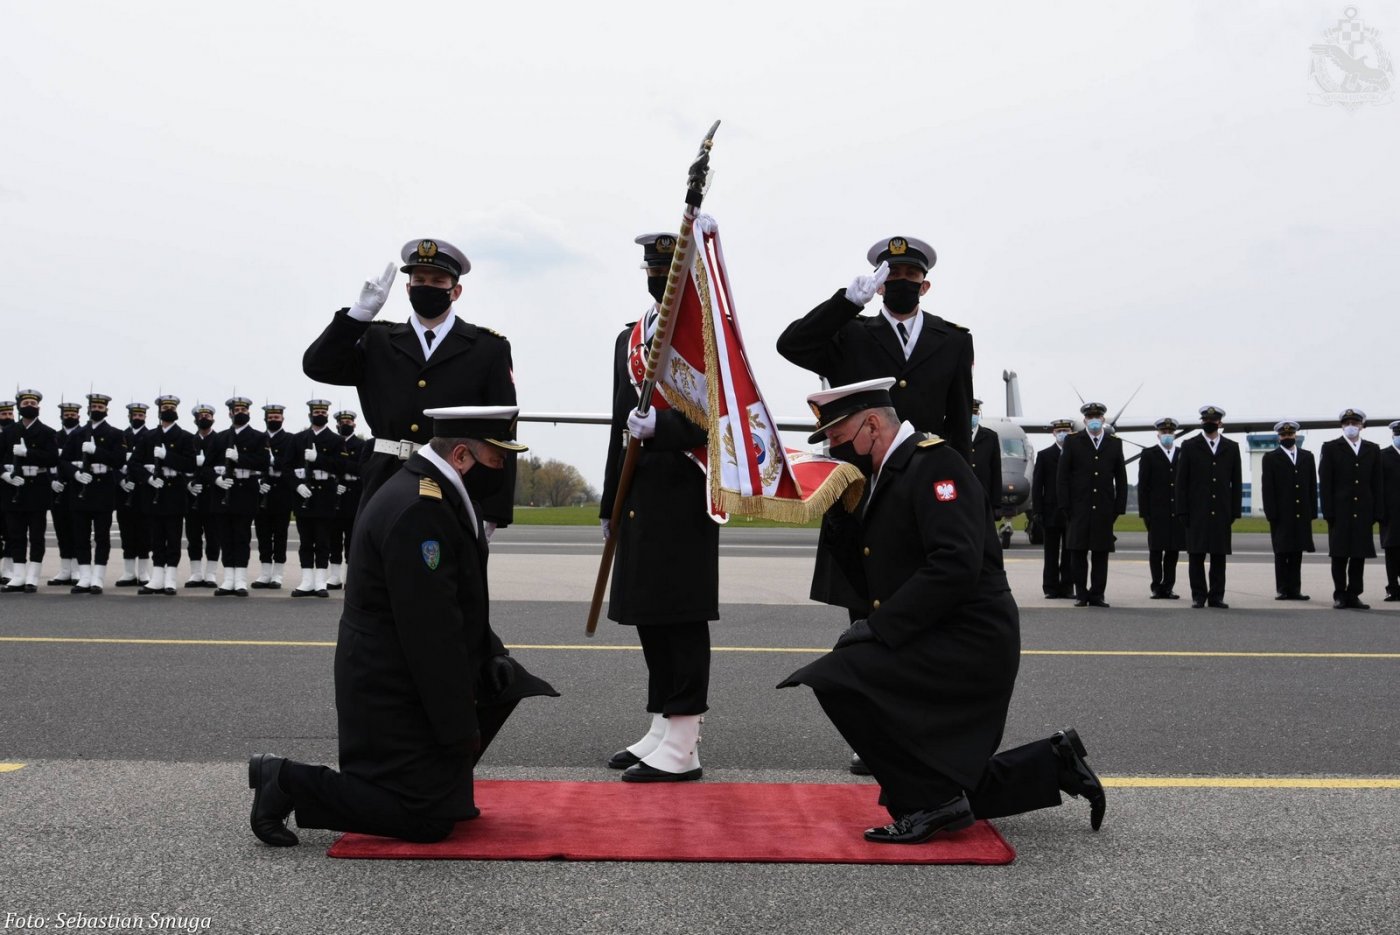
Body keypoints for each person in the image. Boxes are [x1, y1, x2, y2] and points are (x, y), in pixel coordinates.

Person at [778, 379, 1105, 843]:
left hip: (968, 637)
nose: (834, 449)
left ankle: (932, 802)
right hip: (931, 628)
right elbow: (876, 567)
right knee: (939, 780)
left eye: (838, 436)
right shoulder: (884, 473)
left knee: (837, 678)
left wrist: (879, 628)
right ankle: (1049, 765)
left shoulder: (935, 465)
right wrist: (837, 516)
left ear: (871, 426)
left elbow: (955, 564)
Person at [246, 405, 557, 847]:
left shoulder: (439, 493)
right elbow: (431, 632)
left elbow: (458, 601)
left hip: (402, 666)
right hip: (388, 683)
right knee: (426, 822)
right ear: (461, 455)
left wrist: (492, 653)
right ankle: (285, 779)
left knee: (501, 689)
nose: (503, 469)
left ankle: (436, 782)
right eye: (497, 458)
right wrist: (458, 727)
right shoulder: (420, 510)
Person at [777, 236, 974, 622]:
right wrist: (846, 303)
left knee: (925, 596)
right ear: (879, 285)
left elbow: (959, 421)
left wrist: (964, 488)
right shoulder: (849, 333)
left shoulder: (953, 340)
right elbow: (791, 345)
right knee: (866, 602)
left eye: (911, 274)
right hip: (862, 485)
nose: (902, 280)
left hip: (923, 481)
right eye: (893, 274)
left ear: (924, 285)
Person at [600, 233, 719, 783]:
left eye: (668, 271)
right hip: (639, 494)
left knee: (681, 615)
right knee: (648, 612)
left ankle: (686, 739)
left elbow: (721, 418)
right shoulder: (630, 337)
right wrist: (610, 502)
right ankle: (662, 724)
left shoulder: (705, 336)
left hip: (685, 491)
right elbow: (618, 426)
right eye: (653, 269)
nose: (658, 278)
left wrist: (665, 428)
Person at [303, 238, 517, 534]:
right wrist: (358, 315)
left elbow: (503, 431)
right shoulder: (377, 340)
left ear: (455, 291)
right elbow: (318, 365)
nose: (427, 287)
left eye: (438, 281)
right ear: (407, 288)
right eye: (419, 280)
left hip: (456, 479)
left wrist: (493, 510)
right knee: (375, 561)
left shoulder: (487, 348)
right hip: (386, 477)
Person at [1056, 402, 1127, 607]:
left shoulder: (1114, 444)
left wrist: (1118, 507)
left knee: (1100, 553)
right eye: (1090, 417)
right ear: (1085, 420)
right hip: (1078, 507)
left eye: (1097, 417)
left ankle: (1097, 594)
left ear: (1103, 419)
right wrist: (1065, 506)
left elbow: (1121, 478)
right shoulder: (1072, 442)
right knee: (1078, 552)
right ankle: (1081, 593)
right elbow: (1062, 477)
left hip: (1104, 508)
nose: (1094, 420)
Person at [1173, 406, 1243, 609]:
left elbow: (1236, 482)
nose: (1209, 423)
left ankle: (1216, 596)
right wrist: (1182, 510)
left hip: (1221, 510)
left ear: (1220, 423)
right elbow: (1181, 482)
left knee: (1219, 556)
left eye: (1213, 420)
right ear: (1202, 422)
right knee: (1196, 555)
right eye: (1206, 420)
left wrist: (1234, 511)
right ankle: (1198, 596)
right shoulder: (1189, 446)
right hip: (1196, 511)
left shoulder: (1231, 447)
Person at [128, 395, 197, 596]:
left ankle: (171, 579)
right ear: (159, 411)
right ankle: (157, 577)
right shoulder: (148, 437)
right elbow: (133, 464)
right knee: (156, 537)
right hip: (153, 492)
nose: (168, 410)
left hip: (174, 492)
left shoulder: (185, 437)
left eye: (171, 407)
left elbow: (190, 465)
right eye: (165, 407)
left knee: (173, 537)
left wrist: (168, 456)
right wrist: (148, 478)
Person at [60, 393, 126, 594]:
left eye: (100, 407)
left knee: (102, 536)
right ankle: (84, 576)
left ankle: (98, 577)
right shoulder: (76, 434)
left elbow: (119, 460)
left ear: (106, 410)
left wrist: (96, 451)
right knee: (80, 535)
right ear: (88, 409)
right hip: (80, 489)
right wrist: (75, 474)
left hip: (103, 489)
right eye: (94, 407)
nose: (97, 409)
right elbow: (63, 461)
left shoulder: (115, 434)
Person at [1319, 408, 1383, 610]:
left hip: (1363, 511)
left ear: (1362, 425)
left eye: (1355, 423)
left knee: (1358, 555)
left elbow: (1377, 483)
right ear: (1342, 426)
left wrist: (1377, 511)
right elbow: (1325, 483)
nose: (1351, 427)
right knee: (1339, 555)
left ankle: (1354, 594)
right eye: (1347, 423)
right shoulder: (1331, 448)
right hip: (1340, 511)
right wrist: (1328, 512)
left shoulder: (1372, 449)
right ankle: (1339, 594)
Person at [1, 390, 59, 593]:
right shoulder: (8, 432)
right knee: (15, 534)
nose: (30, 406)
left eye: (33, 403)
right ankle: (18, 575)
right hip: (13, 487)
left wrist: (28, 453)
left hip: (37, 488)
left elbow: (52, 458)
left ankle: (33, 576)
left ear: (39, 407)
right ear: (19, 406)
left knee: (36, 535)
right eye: (26, 403)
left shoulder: (47, 432)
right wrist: (5, 475)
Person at [209, 397, 267, 597]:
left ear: (249, 412)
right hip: (223, 492)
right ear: (230, 413)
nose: (240, 412)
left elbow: (263, 463)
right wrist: (216, 480)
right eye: (237, 410)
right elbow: (206, 467)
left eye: (244, 409)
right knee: (225, 537)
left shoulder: (258, 437)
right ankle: (228, 579)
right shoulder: (220, 438)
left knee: (242, 537)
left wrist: (239, 458)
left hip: (245, 492)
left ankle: (240, 579)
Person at [289, 399, 346, 598]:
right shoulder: (298, 439)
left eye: (323, 412)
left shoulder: (336, 440)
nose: (319, 415)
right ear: (310, 415)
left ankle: (321, 581)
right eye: (316, 412)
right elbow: (286, 468)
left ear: (327, 415)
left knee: (322, 540)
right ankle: (307, 581)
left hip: (325, 496)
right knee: (305, 541)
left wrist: (318, 459)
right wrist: (297, 485)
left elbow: (341, 466)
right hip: (304, 494)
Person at [1259, 420, 1316, 601]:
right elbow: (1267, 488)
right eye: (1284, 435)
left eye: (1290, 434)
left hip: (1301, 513)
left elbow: (1311, 486)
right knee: (1282, 552)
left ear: (1295, 435)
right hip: (1281, 514)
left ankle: (1295, 589)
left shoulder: (1307, 457)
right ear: (1279, 437)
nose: (1287, 437)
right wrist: (1271, 513)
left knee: (1297, 552)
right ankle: (1282, 589)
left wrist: (1312, 511)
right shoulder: (1270, 458)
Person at [1137, 418, 1185, 599]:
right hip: (1157, 513)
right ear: (1158, 434)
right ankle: (1156, 586)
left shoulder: (1182, 454)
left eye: (1170, 432)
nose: (1167, 435)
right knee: (1156, 551)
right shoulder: (1149, 454)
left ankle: (1168, 586)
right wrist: (1145, 513)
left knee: (1173, 552)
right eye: (1164, 432)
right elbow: (1143, 487)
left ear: (1174, 434)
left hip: (1176, 512)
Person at [251, 404, 294, 590]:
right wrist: (258, 480)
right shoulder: (257, 439)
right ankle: (265, 572)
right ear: (265, 419)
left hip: (282, 493)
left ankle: (277, 574)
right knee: (263, 534)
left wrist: (276, 464)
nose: (274, 420)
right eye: (270, 417)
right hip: (262, 493)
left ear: (282, 419)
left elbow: (292, 465)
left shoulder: (290, 439)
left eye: (277, 417)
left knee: (280, 534)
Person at [1031, 419, 1074, 598]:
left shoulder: (1076, 454)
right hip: (1050, 511)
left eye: (1066, 430)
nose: (1062, 433)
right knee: (1050, 552)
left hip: (1071, 512)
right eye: (1059, 431)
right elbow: (1037, 485)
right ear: (1053, 433)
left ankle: (1067, 587)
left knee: (1070, 553)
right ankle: (1050, 588)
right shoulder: (1044, 455)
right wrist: (1037, 511)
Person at [183, 403, 222, 588]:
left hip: (213, 494)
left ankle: (211, 573)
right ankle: (196, 573)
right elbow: (180, 467)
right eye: (201, 416)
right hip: (193, 496)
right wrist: (188, 484)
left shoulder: (220, 440)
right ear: (195, 420)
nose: (204, 418)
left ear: (213, 418)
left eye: (208, 416)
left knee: (213, 536)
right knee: (193, 536)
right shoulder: (189, 441)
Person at [114, 402, 152, 587]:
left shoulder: (151, 436)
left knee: (145, 531)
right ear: (129, 416)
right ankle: (129, 572)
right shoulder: (120, 436)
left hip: (144, 490)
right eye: (135, 415)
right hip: (124, 491)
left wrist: (142, 477)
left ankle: (143, 572)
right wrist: (121, 480)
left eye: (141, 415)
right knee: (126, 530)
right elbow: (112, 462)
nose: (138, 418)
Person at [47, 400, 84, 587]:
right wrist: (51, 481)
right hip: (58, 488)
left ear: (79, 416)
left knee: (78, 529)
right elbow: (47, 462)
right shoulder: (54, 436)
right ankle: (65, 568)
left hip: (77, 487)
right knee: (61, 528)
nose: (70, 417)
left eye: (73, 414)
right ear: (61, 416)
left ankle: (77, 568)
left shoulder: (84, 435)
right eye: (67, 415)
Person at [327, 409, 365, 589]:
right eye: (342, 423)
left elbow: (362, 468)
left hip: (353, 494)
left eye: (348, 423)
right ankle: (334, 577)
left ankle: (350, 576)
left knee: (352, 538)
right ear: (337, 425)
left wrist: (342, 464)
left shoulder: (361, 445)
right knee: (334, 537)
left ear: (354, 424)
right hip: (335, 493)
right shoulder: (332, 443)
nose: (345, 425)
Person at [968, 399, 1003, 514]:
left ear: (978, 414)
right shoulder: (954, 435)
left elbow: (996, 471)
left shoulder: (990, 437)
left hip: (984, 496)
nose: (972, 416)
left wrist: (996, 503)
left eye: (975, 413)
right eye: (970, 412)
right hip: (962, 496)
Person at [1381, 421, 1400, 601]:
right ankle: (1393, 588)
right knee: (1392, 552)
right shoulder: (1383, 456)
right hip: (1391, 514)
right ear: (1393, 435)